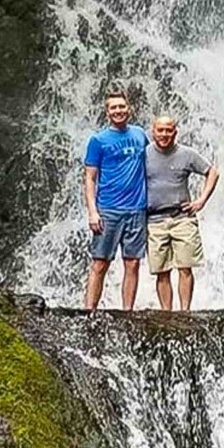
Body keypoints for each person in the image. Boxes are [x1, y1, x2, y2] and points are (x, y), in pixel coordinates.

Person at [83, 88, 148, 311]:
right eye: (114, 107)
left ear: (129, 108)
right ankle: (88, 312)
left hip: (137, 209)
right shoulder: (98, 141)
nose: (118, 111)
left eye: (122, 106)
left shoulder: (140, 134)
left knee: (133, 263)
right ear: (107, 111)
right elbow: (90, 178)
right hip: (108, 209)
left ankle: (127, 312)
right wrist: (93, 211)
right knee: (100, 263)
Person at [146, 116, 219, 311]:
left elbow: (212, 172)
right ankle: (166, 313)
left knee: (185, 268)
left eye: (168, 130)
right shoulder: (143, 155)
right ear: (153, 131)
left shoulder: (187, 154)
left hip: (182, 218)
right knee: (162, 271)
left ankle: (185, 312)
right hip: (154, 220)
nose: (164, 134)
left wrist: (201, 200)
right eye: (160, 130)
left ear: (175, 132)